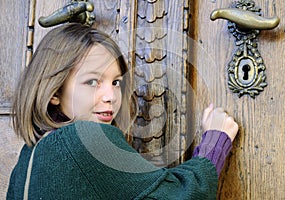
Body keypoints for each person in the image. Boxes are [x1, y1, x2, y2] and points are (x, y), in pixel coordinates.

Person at [7, 23, 238, 200]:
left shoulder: (27, 158)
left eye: (116, 82)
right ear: (54, 92)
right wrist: (215, 140)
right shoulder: (84, 140)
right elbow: (183, 194)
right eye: (92, 82)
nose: (110, 96)